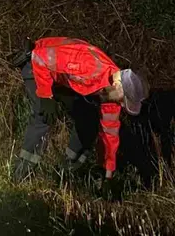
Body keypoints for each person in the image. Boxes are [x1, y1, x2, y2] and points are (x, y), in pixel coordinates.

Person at [10, 37, 150, 195]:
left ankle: (66, 172)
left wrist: (108, 176)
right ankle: (20, 176)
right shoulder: (89, 65)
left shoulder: (112, 97)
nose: (123, 105)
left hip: (61, 78)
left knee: (87, 120)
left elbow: (110, 135)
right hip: (36, 64)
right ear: (118, 85)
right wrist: (45, 95)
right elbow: (40, 57)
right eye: (124, 100)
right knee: (43, 117)